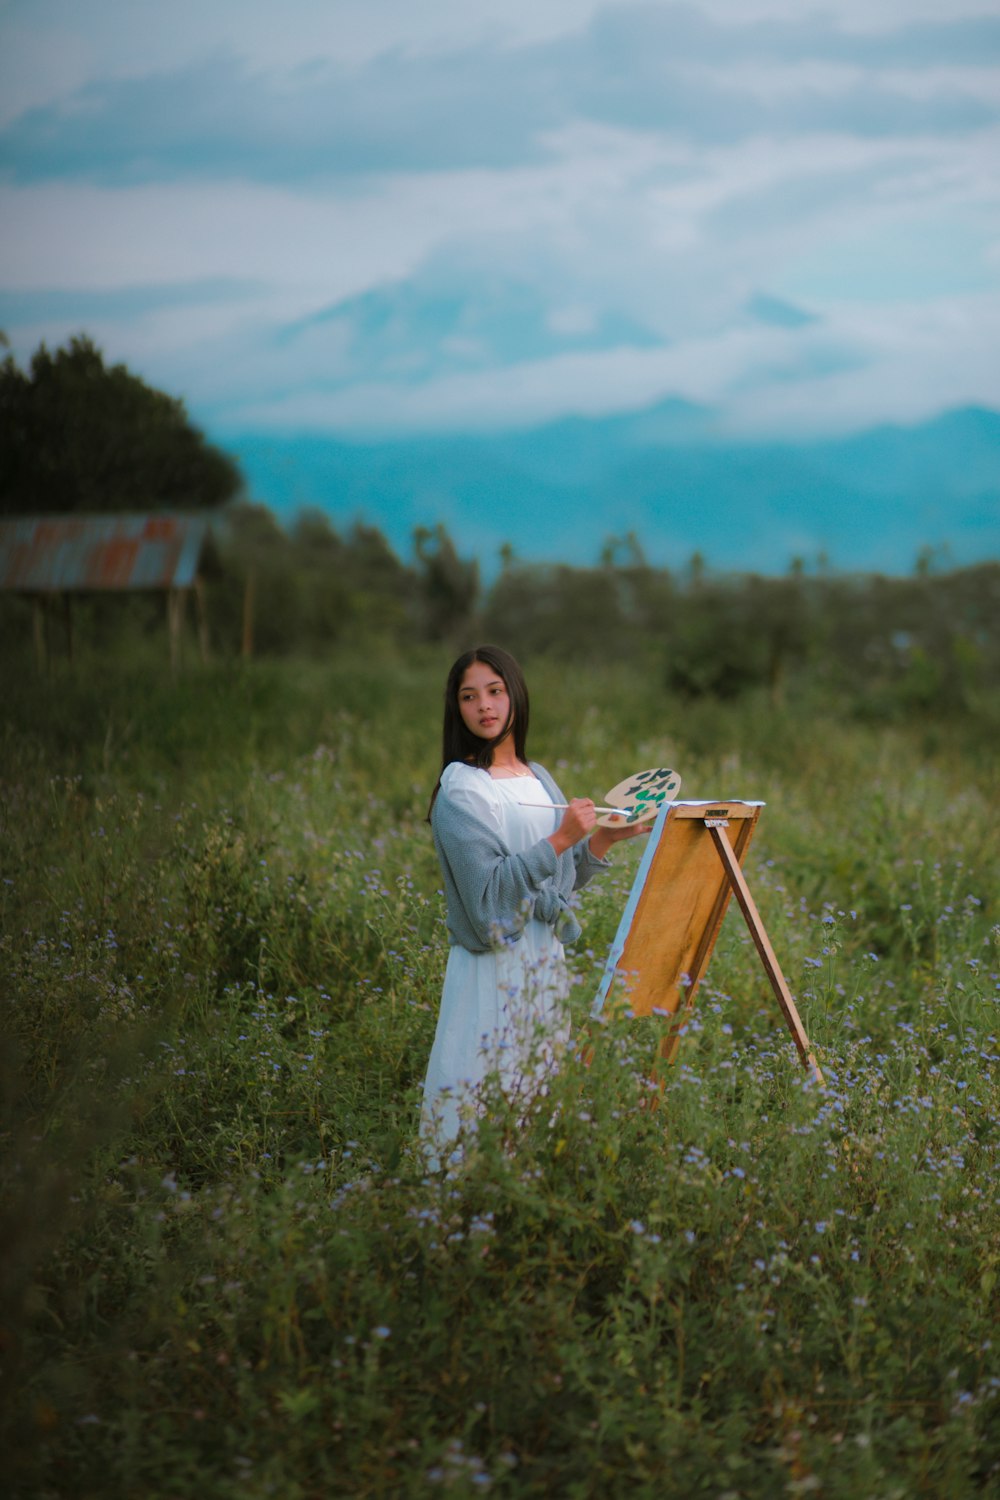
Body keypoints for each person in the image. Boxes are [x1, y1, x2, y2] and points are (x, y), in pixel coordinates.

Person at [420, 644, 649, 1164]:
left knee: (535, 1093)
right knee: (482, 1088)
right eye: (469, 696)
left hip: (543, 964)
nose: (485, 705)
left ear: (515, 695)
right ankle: (458, 1211)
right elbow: (488, 902)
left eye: (495, 691)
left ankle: (521, 1208)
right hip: (491, 966)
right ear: (456, 709)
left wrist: (604, 842)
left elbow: (555, 891)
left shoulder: (537, 776)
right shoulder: (461, 790)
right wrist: (561, 840)